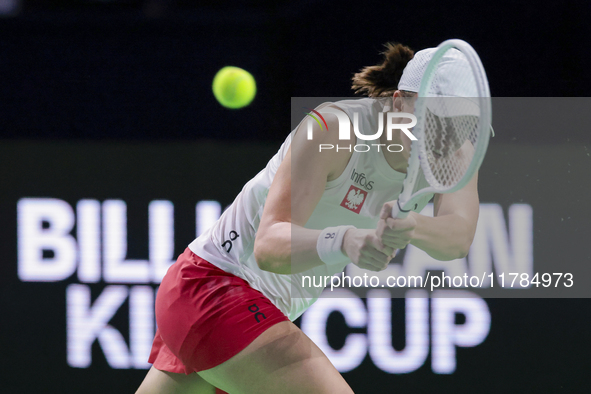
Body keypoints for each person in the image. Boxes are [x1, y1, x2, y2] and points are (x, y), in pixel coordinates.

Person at [136, 42, 480, 394]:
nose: (436, 138)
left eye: (453, 125)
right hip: (214, 287)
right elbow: (269, 246)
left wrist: (412, 226)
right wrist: (345, 240)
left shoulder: (453, 154)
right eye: (429, 119)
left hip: (260, 312)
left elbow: (458, 237)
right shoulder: (333, 130)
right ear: (397, 102)